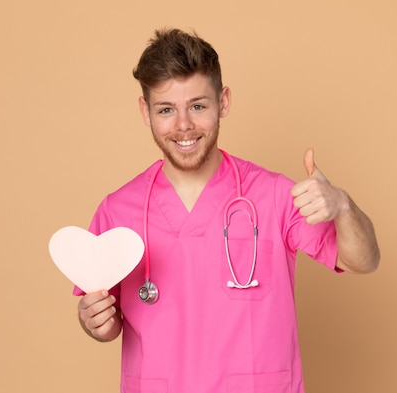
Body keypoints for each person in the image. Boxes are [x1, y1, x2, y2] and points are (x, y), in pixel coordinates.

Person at [75, 28, 380, 393]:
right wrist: (94, 322)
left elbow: (365, 260)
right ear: (146, 112)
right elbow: (105, 321)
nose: (183, 125)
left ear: (224, 102)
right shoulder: (117, 210)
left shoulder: (275, 196)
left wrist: (343, 206)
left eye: (198, 106)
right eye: (166, 110)